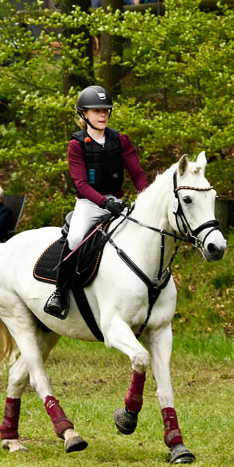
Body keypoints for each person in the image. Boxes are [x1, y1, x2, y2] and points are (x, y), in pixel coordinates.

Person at [44, 85, 148, 318]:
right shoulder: (76, 144)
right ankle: (60, 292)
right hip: (89, 204)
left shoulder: (120, 140)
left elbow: (138, 174)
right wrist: (104, 203)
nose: (103, 115)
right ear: (84, 114)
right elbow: (81, 184)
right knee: (75, 237)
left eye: (105, 111)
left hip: (117, 202)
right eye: (97, 111)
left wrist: (146, 198)